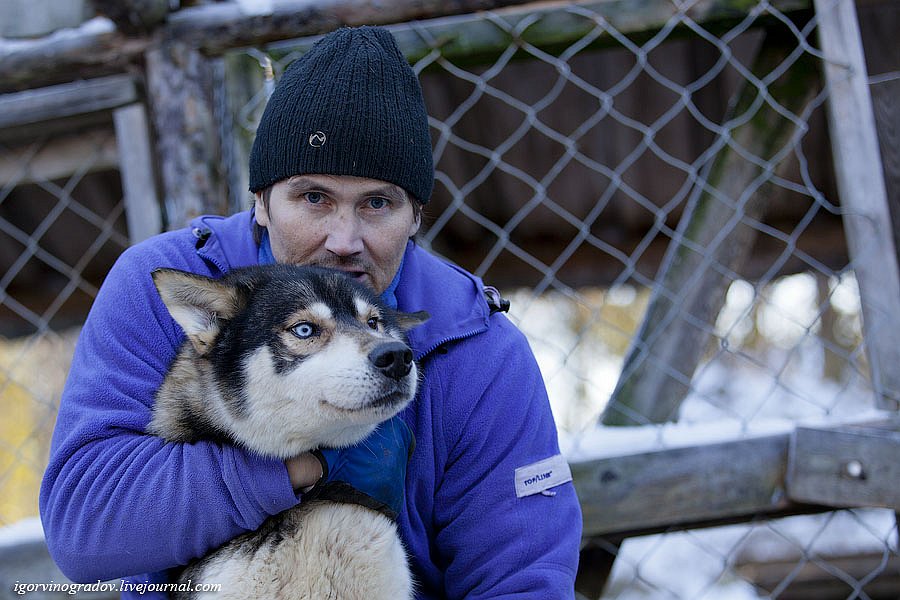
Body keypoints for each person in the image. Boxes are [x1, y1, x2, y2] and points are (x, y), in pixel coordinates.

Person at [39, 26, 581, 598]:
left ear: (416, 217)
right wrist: (304, 470)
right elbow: (84, 526)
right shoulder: (167, 285)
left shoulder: (478, 349)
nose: (343, 239)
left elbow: (523, 578)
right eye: (314, 198)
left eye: (377, 203)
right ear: (262, 202)